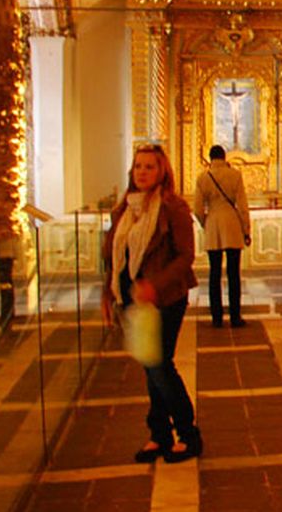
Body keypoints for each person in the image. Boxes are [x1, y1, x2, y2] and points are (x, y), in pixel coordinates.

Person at [102, 143, 202, 464]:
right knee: (151, 366)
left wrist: (153, 286)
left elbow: (186, 256)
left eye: (150, 167)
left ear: (162, 171)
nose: (142, 172)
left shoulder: (173, 207)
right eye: (138, 166)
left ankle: (188, 434)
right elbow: (114, 258)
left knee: (159, 365)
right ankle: (159, 435)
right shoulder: (124, 209)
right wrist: (109, 294)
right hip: (130, 298)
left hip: (165, 297)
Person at [195, 145, 252, 328]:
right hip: (232, 224)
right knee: (233, 273)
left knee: (214, 273)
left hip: (213, 223)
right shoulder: (235, 175)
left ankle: (216, 317)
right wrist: (246, 229)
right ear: (223, 156)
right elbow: (242, 205)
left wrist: (206, 222)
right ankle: (235, 316)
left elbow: (197, 209)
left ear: (210, 158)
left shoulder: (203, 178)